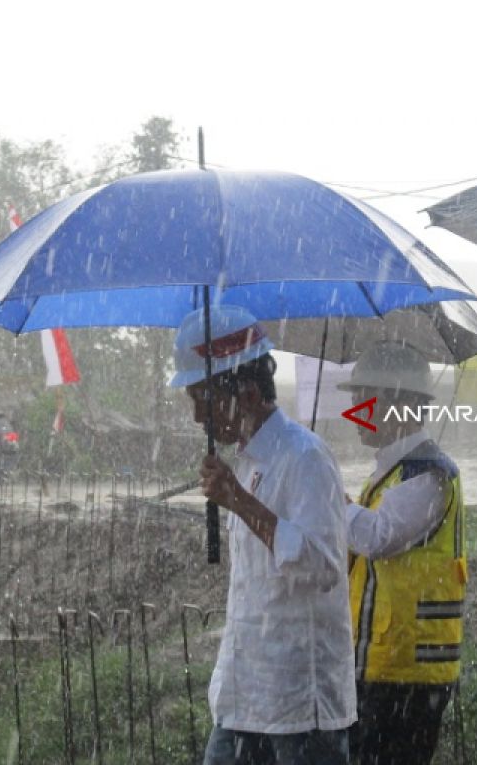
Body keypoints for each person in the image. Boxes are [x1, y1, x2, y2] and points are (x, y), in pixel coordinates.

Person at [170, 305, 356, 765]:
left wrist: (240, 502)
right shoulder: (247, 462)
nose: (197, 417)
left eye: (202, 399)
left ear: (247, 394)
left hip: (298, 705)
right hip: (242, 696)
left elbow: (323, 567)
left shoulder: (306, 458)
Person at [337, 342, 465, 765]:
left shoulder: (428, 474)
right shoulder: (391, 472)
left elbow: (376, 537)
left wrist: (332, 502)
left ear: (403, 402)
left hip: (406, 675)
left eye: (366, 396)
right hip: (380, 666)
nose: (356, 407)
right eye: (355, 397)